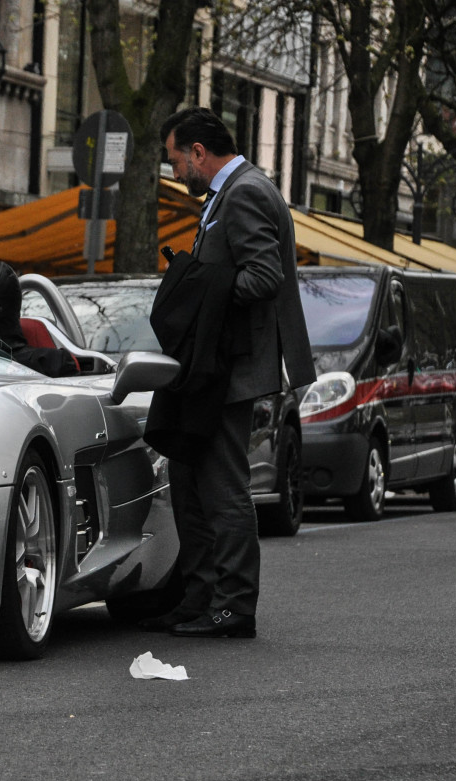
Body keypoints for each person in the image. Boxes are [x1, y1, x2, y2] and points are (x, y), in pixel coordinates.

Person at [145, 106, 315, 639]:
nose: (175, 173)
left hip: (229, 370)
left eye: (175, 160)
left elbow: (263, 276)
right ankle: (200, 599)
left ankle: (233, 606)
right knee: (191, 480)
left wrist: (201, 297)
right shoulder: (237, 189)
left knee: (221, 487)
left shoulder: (244, 192)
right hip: (215, 367)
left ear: (198, 152)